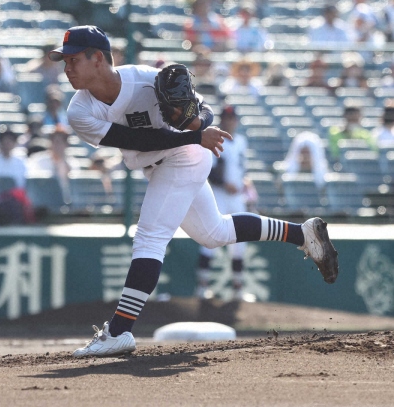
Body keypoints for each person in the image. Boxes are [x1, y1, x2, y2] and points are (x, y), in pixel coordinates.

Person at [48, 25, 338, 358]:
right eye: (64, 61)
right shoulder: (79, 111)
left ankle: (119, 331)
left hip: (185, 158)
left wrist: (197, 123)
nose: (66, 67)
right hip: (170, 157)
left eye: (72, 59)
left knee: (150, 237)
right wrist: (193, 135)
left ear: (97, 58)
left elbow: (204, 111)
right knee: (215, 233)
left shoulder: (145, 79)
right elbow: (136, 141)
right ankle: (302, 234)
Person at [195, 105, 251, 301]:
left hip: (237, 196)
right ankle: (202, 287)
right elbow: (210, 169)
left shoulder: (242, 141)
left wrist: (243, 185)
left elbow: (240, 168)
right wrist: (224, 183)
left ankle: (238, 289)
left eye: (233, 118)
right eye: (227, 118)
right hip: (218, 194)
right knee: (210, 239)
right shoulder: (216, 137)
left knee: (240, 242)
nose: (230, 121)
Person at [27, 125, 80, 203]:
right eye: (55, 141)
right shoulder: (38, 160)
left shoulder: (72, 163)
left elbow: (73, 188)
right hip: (43, 201)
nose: (58, 145)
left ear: (66, 144)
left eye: (61, 142)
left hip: (65, 202)